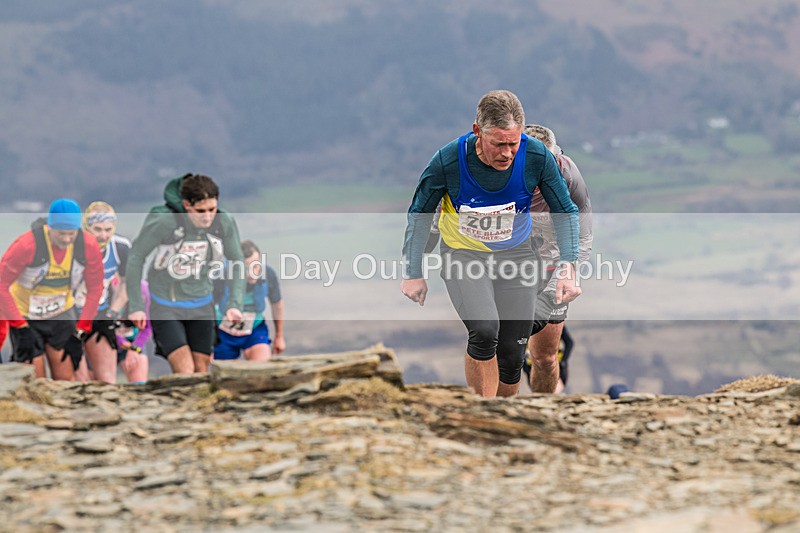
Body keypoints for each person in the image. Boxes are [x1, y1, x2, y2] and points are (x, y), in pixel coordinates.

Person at [401, 90, 581, 398]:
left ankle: (505, 419)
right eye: (499, 143)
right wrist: (413, 271)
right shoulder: (448, 161)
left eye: (513, 143)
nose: (508, 153)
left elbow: (566, 211)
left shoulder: (535, 156)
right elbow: (419, 214)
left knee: (512, 352)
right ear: (477, 132)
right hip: (464, 253)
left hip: (517, 254)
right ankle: (482, 410)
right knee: (484, 332)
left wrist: (568, 267)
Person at [125, 174, 245, 374]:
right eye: (200, 211)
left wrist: (234, 304)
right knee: (186, 371)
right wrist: (136, 306)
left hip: (202, 304)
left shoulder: (223, 222)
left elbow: (237, 261)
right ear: (187, 205)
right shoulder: (164, 221)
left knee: (202, 372)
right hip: (166, 306)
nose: (207, 216)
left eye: (211, 209)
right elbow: (136, 257)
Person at [0, 199, 104, 380]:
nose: (66, 239)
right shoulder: (26, 245)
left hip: (61, 314)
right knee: (35, 381)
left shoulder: (87, 245)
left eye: (71, 234)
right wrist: (20, 327)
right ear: (50, 228)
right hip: (26, 317)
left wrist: (81, 330)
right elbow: (1, 286)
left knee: (66, 381)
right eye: (61, 233)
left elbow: (95, 289)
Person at [523, 124, 593, 393]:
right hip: (509, 261)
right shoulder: (497, 170)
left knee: (545, 357)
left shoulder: (568, 175)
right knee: (496, 349)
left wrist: (563, 277)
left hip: (552, 261)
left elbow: (583, 237)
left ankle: (544, 411)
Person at [73, 201, 132, 383]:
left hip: (100, 312)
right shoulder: (73, 245)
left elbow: (127, 283)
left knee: (107, 380)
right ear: (86, 228)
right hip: (70, 313)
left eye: (108, 229)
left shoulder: (120, 247)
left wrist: (113, 312)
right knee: (79, 379)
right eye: (97, 229)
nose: (103, 235)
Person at [214, 240, 285, 361]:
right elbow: (206, 308)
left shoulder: (268, 275)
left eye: (256, 266)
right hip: (223, 333)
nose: (253, 273)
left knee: (261, 369)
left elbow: (277, 304)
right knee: (226, 375)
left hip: (254, 330)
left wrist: (279, 336)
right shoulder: (220, 277)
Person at [114, 279, 151, 384]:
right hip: (106, 338)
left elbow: (147, 328)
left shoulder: (143, 288)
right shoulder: (110, 285)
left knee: (139, 383)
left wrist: (134, 348)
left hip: (134, 340)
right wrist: (120, 341)